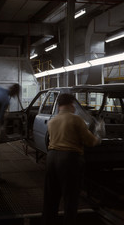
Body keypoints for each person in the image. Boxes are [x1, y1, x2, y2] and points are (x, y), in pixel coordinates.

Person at [42, 93, 101, 225]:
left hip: (51, 158)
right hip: (69, 160)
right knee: (70, 199)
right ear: (71, 104)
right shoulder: (76, 119)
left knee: (50, 198)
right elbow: (90, 141)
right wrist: (98, 138)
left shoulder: (52, 121)